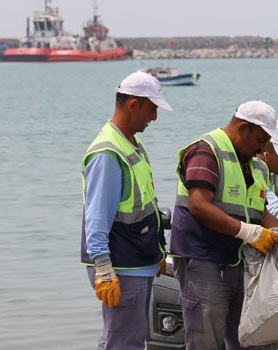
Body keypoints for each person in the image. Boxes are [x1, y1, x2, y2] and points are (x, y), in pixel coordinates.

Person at [169, 100, 278, 349]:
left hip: (236, 261)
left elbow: (261, 212)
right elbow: (199, 205)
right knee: (206, 338)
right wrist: (247, 231)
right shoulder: (207, 150)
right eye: (261, 139)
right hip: (203, 259)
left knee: (245, 337)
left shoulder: (256, 166)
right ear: (243, 128)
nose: (263, 147)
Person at [80, 71, 172, 349]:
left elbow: (143, 206)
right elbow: (96, 218)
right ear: (133, 105)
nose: (154, 117)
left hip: (137, 259)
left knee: (122, 337)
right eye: (152, 109)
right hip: (121, 264)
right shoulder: (108, 153)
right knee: (124, 342)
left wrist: (156, 253)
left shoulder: (131, 143)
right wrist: (104, 269)